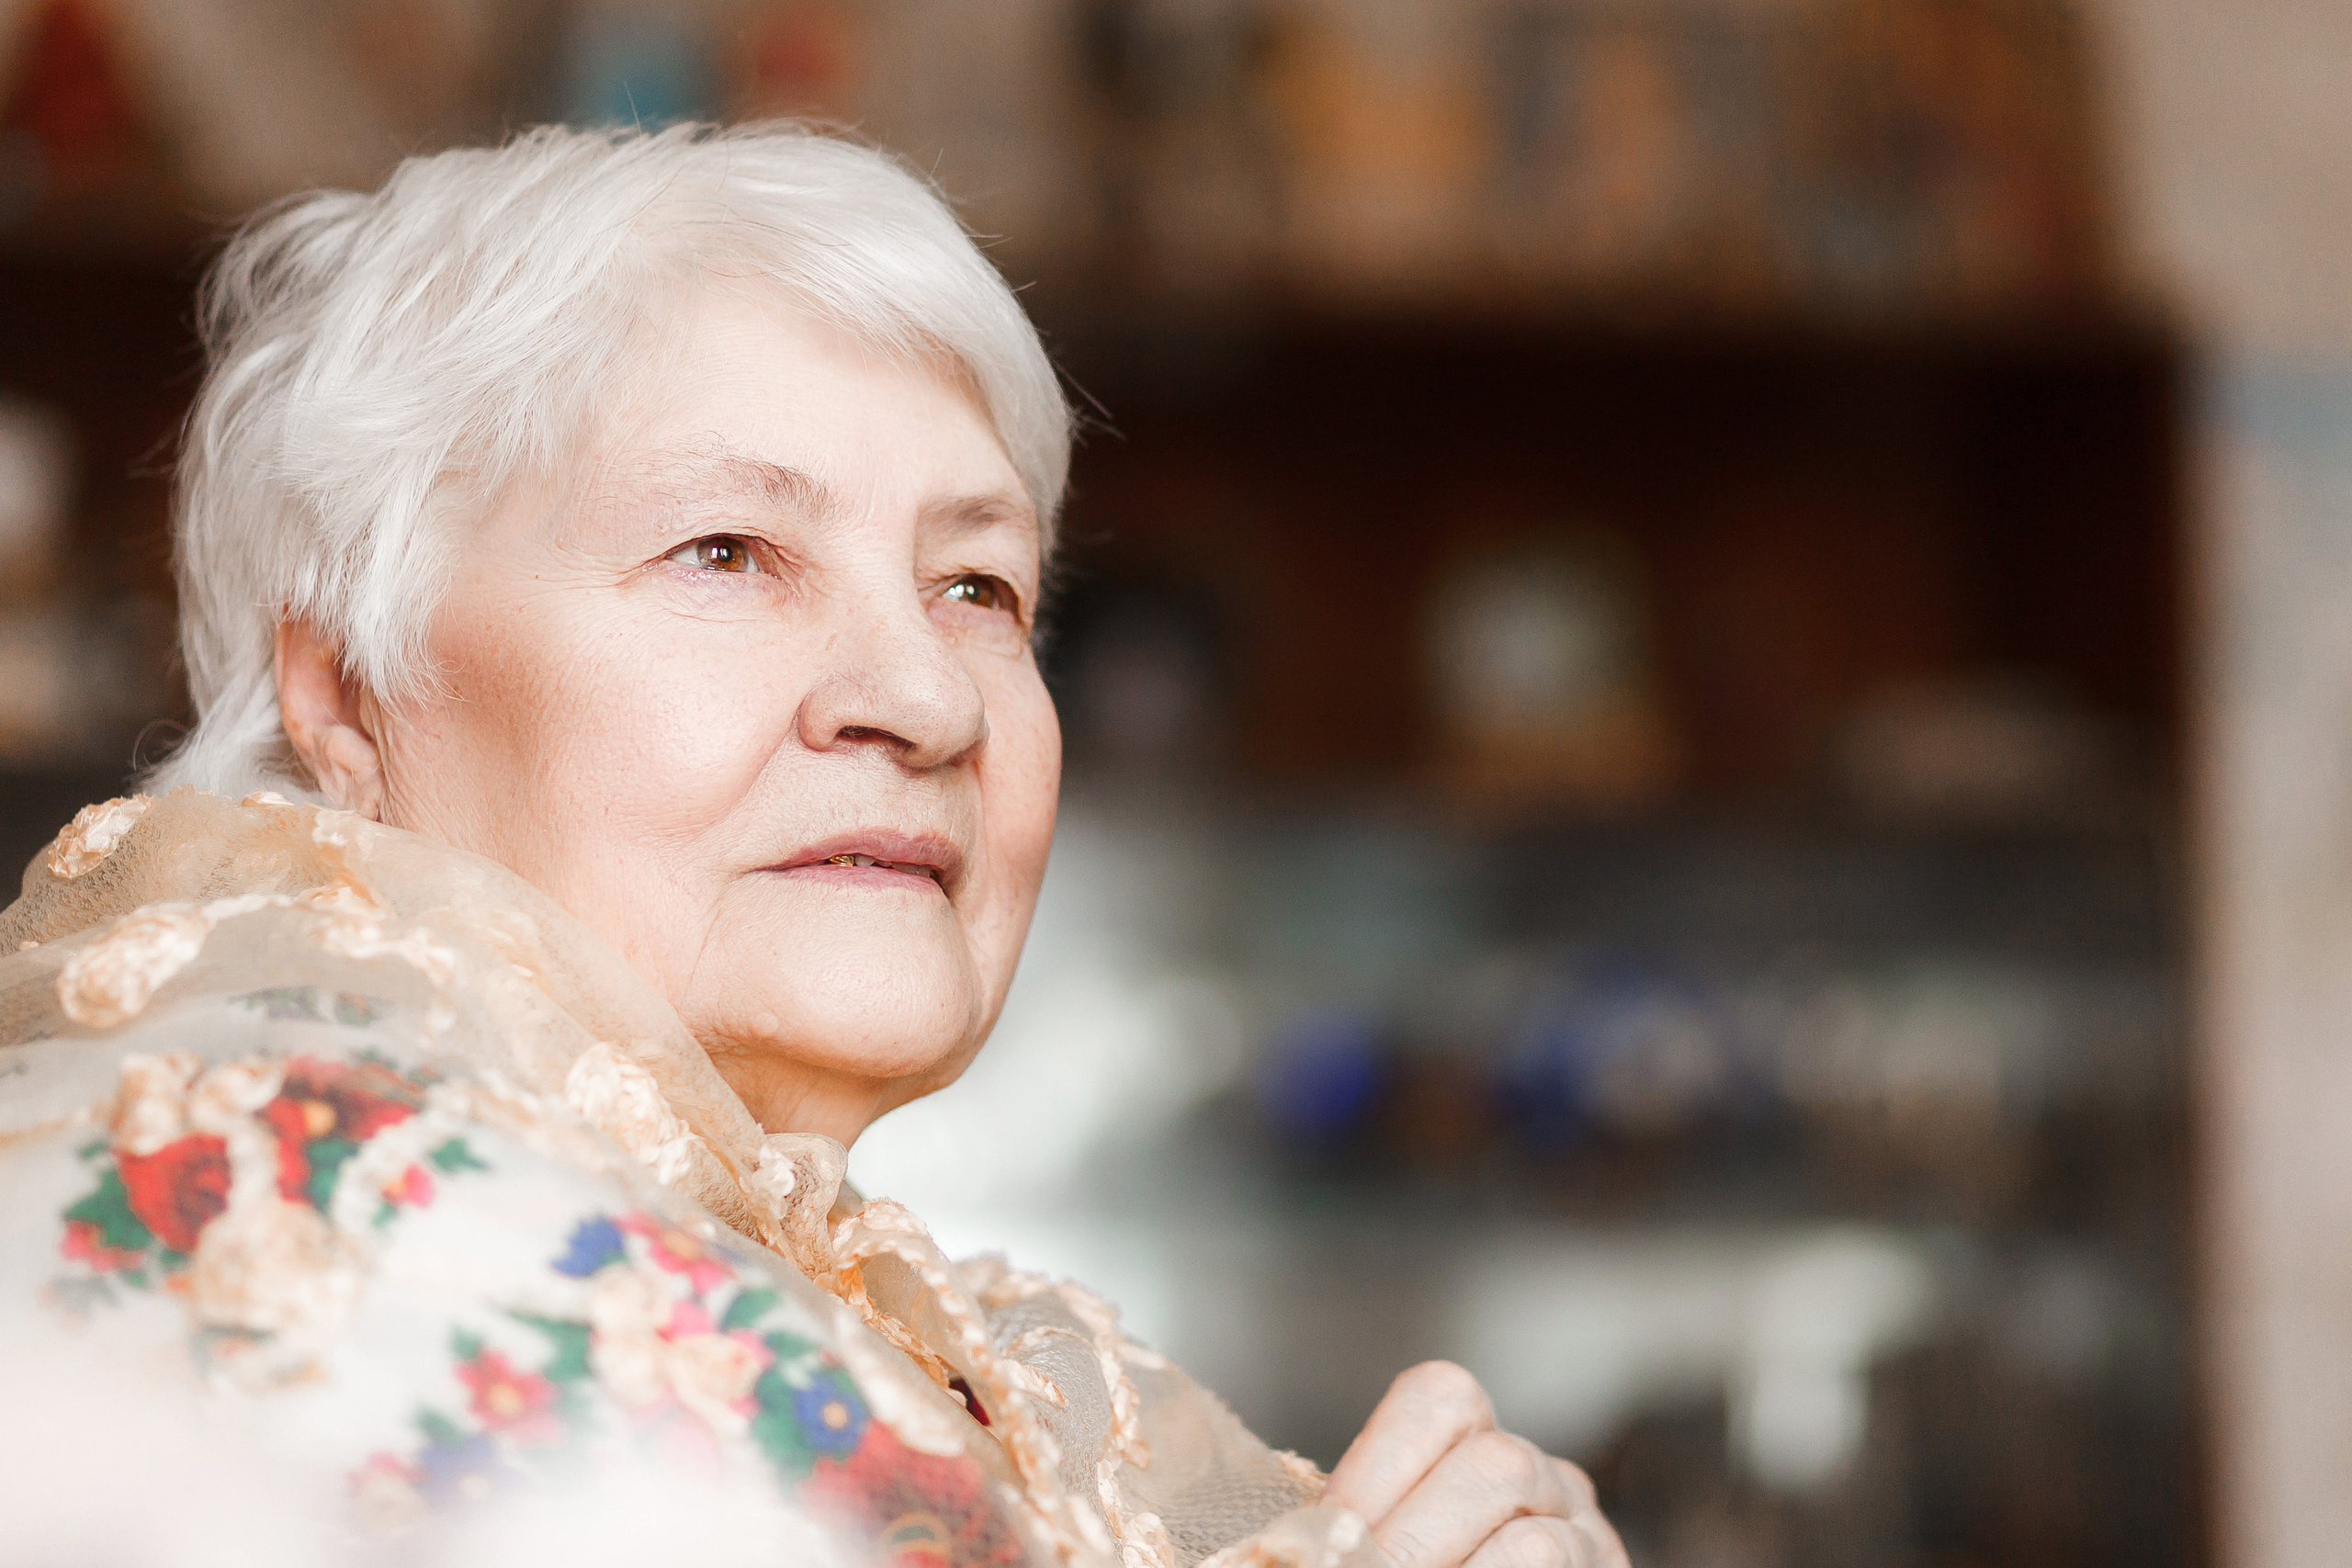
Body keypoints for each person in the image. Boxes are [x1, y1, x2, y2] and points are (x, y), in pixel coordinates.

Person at [0, 122, 1625, 1568]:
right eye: (728, 551)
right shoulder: (285, 1212)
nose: (926, 698)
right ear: (350, 691)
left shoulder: (971, 1354)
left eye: (980, 587)